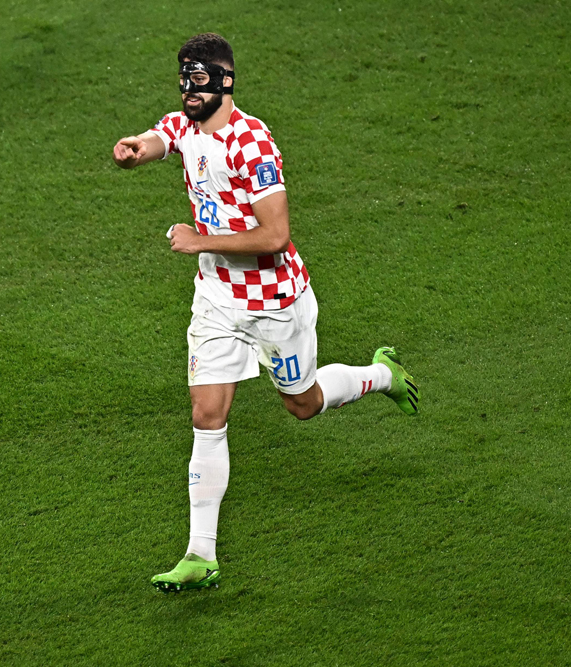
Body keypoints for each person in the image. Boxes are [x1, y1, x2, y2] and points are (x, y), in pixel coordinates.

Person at [111, 33, 420, 594]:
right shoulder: (188, 124)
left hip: (275, 302)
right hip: (216, 300)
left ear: (225, 81)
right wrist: (139, 146)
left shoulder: (251, 144)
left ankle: (381, 374)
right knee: (207, 415)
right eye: (183, 79)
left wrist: (200, 240)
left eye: (198, 80)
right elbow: (166, 136)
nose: (188, 91)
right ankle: (200, 555)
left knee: (301, 404)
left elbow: (276, 236)